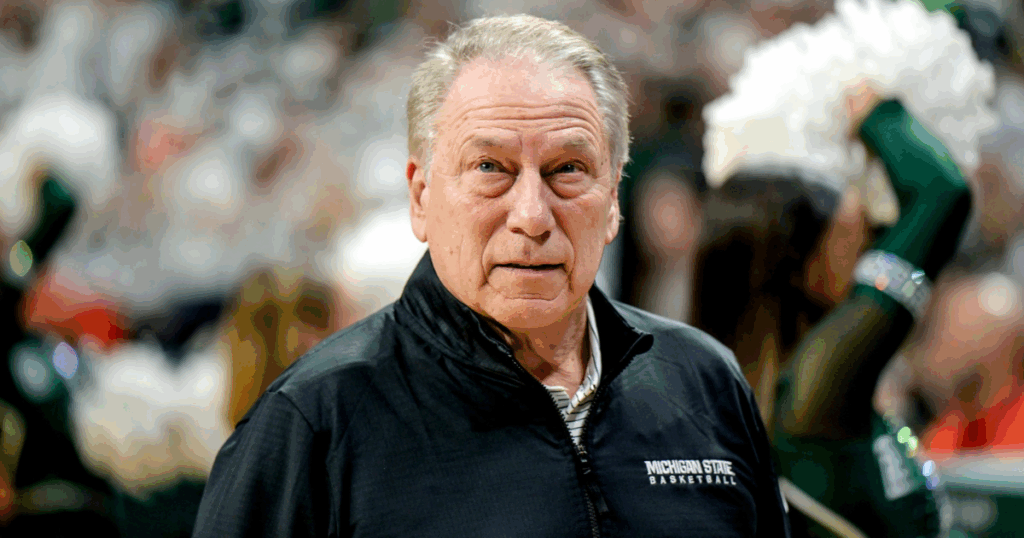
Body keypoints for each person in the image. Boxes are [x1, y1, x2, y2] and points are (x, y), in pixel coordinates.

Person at [193, 14, 790, 537]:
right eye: (489, 167)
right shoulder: (313, 421)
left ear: (612, 200)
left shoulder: (704, 381)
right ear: (421, 197)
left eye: (568, 169)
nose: (531, 216)